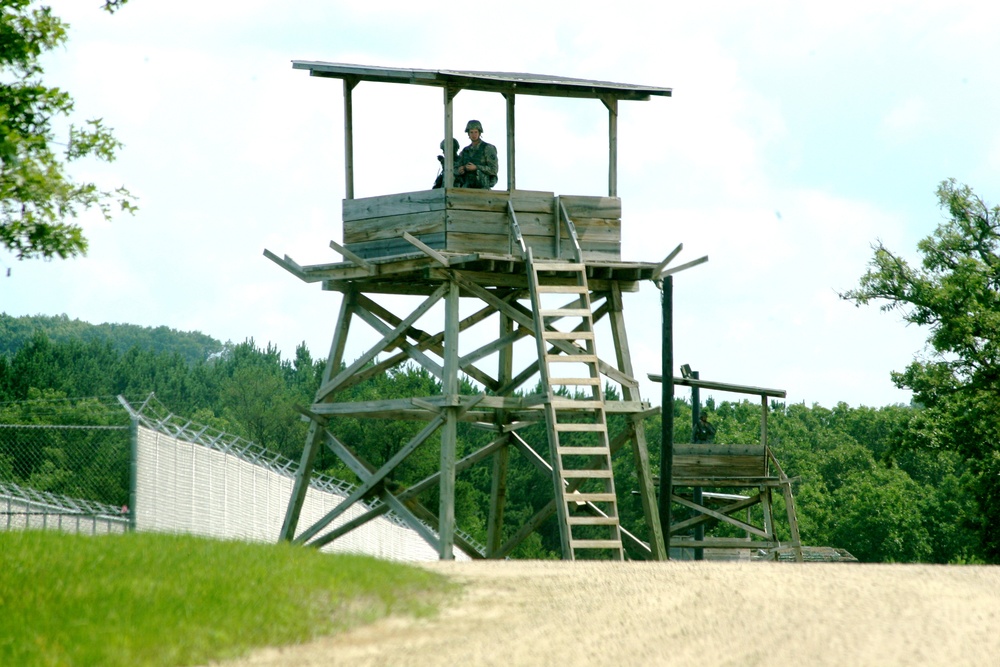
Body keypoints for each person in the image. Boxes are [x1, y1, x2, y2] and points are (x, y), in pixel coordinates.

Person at [454, 119, 498, 189]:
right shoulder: (465, 151)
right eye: (471, 132)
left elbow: (493, 169)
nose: (474, 135)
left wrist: (476, 167)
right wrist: (461, 169)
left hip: (483, 187)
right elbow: (456, 168)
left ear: (479, 133)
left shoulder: (488, 148)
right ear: (468, 133)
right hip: (467, 187)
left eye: (476, 132)